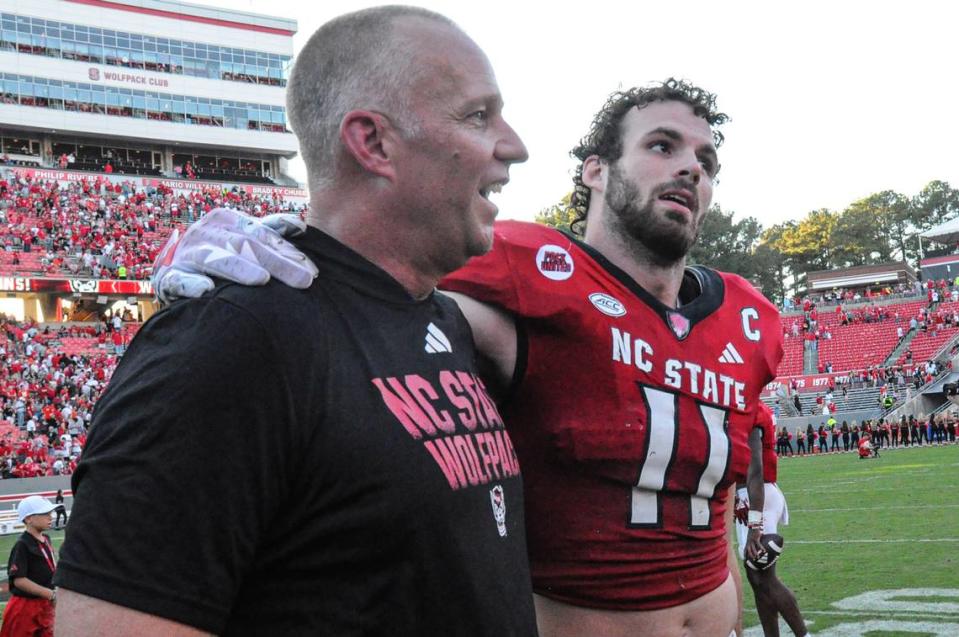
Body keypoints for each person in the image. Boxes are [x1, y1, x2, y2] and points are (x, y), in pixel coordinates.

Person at [155, 79, 784, 636]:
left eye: (706, 159)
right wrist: (263, 236)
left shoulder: (750, 315)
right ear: (596, 170)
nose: (690, 169)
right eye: (661, 145)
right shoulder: (529, 268)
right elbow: (371, 275)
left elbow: (729, 443)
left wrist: (759, 532)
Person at [54, 7, 537, 636]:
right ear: (374, 143)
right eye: (478, 115)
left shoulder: (447, 319)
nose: (515, 146)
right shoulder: (233, 337)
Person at [734, 406, 808, 637]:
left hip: (757, 496)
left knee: (765, 579)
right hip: (751, 496)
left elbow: (755, 468)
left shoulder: (749, 409)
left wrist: (755, 525)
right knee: (756, 579)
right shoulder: (745, 405)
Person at [1, 496, 58, 637]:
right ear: (28, 519)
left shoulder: (46, 539)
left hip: (45, 605)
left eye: (50, 513)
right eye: (45, 514)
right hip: (25, 607)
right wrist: (50, 594)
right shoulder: (23, 544)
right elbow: (19, 580)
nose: (50, 517)